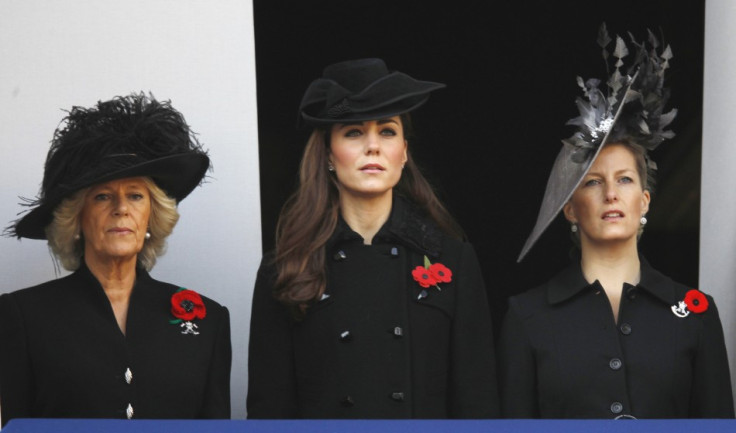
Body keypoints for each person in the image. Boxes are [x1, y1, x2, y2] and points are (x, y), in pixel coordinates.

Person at [500, 25, 734, 419]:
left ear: (644, 201)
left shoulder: (697, 315)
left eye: (624, 179)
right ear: (570, 208)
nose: (611, 193)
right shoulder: (526, 317)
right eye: (593, 182)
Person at [247, 58, 499, 418]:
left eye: (387, 130)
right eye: (353, 132)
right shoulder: (284, 269)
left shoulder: (453, 260)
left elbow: (478, 404)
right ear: (328, 155)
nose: (373, 146)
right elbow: (269, 412)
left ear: (405, 152)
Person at [0, 93, 231, 426]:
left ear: (152, 217)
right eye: (103, 196)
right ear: (77, 219)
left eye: (135, 196)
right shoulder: (22, 317)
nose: (121, 208)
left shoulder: (208, 320)